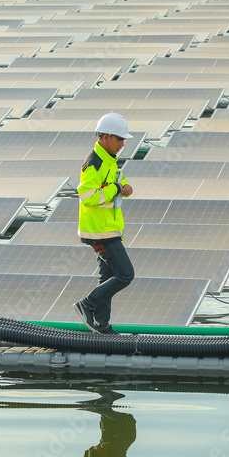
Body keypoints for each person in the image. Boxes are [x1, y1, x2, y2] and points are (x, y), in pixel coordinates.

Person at [74, 113, 135, 334]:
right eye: (119, 139)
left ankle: (102, 324)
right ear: (106, 137)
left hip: (107, 229)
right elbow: (88, 196)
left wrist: (125, 188)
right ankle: (87, 304)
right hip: (100, 231)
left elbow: (117, 181)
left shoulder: (109, 160)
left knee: (108, 277)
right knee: (126, 274)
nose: (122, 144)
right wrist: (117, 189)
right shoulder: (94, 163)